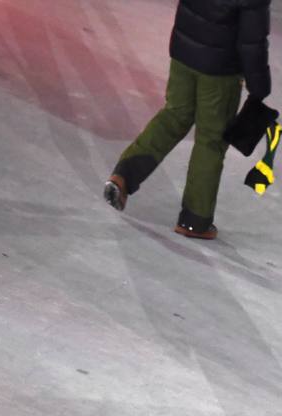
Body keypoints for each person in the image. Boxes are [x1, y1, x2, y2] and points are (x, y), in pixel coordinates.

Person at [102, 0, 272, 239]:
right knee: (211, 140)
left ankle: (124, 176)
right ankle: (195, 219)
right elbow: (252, 41)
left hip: (184, 53)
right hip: (220, 72)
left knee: (174, 115)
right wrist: (260, 86)